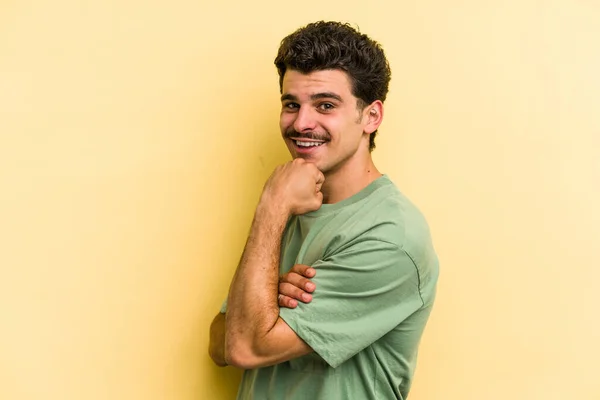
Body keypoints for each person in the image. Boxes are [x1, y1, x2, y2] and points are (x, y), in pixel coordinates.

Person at [208, 21, 439, 399]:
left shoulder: (391, 236)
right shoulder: (291, 207)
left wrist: (271, 207)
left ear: (371, 116)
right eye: (291, 104)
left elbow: (243, 347)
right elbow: (219, 343)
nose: (301, 123)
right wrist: (266, 303)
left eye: (325, 105)